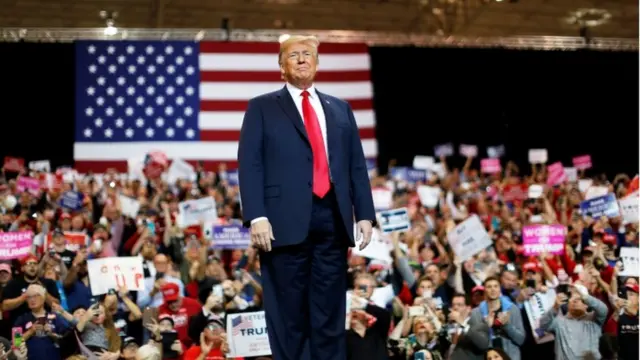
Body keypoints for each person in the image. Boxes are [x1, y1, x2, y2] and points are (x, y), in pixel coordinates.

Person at [237, 34, 376, 360]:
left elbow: (356, 164)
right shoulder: (262, 106)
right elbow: (250, 164)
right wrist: (256, 216)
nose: (302, 59)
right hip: (282, 224)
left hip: (333, 218)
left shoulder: (340, 109)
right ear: (281, 67)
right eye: (293, 55)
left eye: (307, 54)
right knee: (289, 311)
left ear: (317, 62)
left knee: (329, 308)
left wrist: (365, 214)